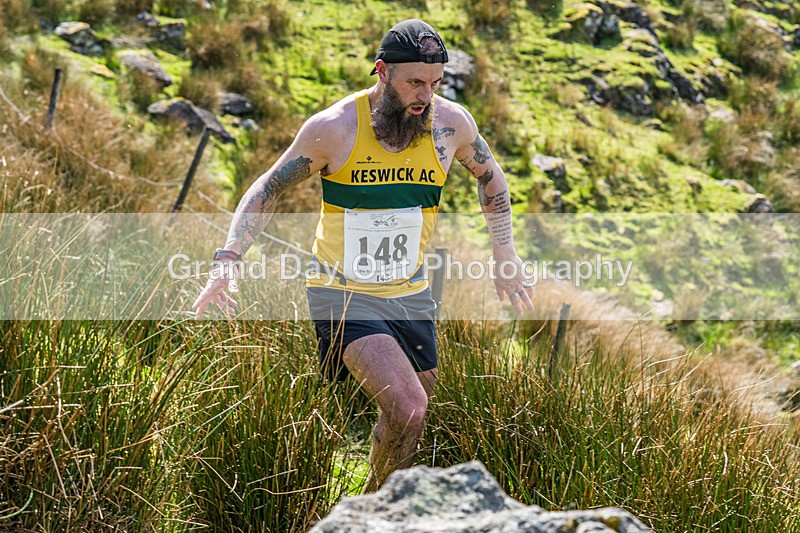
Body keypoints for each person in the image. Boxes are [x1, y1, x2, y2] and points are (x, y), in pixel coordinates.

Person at [192, 19, 534, 491]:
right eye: (415, 82)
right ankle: (371, 514)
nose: (424, 96)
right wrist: (227, 261)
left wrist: (505, 251)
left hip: (411, 293)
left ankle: (371, 500)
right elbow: (267, 187)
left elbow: (491, 178)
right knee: (409, 406)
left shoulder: (451, 125)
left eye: (435, 84)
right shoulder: (336, 129)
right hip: (342, 293)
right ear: (382, 72)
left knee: (414, 414)